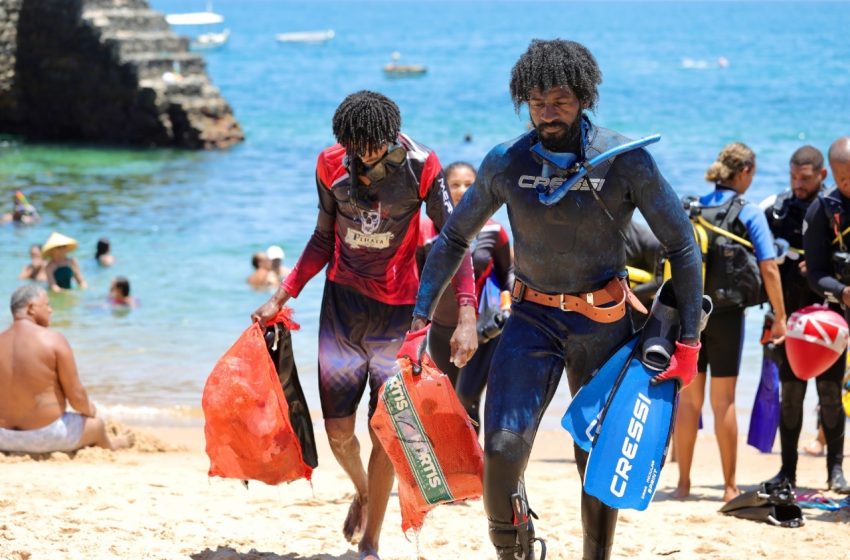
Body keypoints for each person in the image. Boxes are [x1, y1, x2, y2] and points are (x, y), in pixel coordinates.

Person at [412, 39, 703, 560]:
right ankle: (515, 549)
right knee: (501, 451)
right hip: (532, 318)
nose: (548, 113)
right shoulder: (506, 162)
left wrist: (689, 344)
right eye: (537, 102)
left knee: (594, 456)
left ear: (585, 97)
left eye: (561, 101)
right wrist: (419, 319)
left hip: (605, 322)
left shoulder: (626, 162)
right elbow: (455, 238)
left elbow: (682, 245)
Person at [250, 91, 477, 560]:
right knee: (337, 432)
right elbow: (320, 238)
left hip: (398, 314)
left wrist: (467, 312)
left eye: (371, 148)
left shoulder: (422, 166)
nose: (363, 157)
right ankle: (364, 491)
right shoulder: (331, 164)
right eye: (356, 149)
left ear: (390, 137)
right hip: (342, 309)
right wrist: (280, 296)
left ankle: (371, 543)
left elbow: (454, 242)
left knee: (383, 429)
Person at [674, 143, 786, 502]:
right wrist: (780, 316)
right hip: (727, 317)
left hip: (691, 314)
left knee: (690, 402)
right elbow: (768, 265)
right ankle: (729, 487)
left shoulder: (694, 207)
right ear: (745, 172)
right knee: (724, 402)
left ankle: (683, 484)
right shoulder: (747, 211)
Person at [761, 146, 848, 493]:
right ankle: (788, 471)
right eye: (793, 176)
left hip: (829, 317)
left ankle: (835, 472)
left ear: (822, 175)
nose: (798, 183)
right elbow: (758, 263)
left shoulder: (833, 210)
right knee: (791, 396)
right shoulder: (778, 212)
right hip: (790, 319)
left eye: (805, 178)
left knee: (830, 394)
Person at [417, 161, 513, 428]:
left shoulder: (494, 231)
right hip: (441, 330)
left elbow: (509, 277)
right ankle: (460, 464)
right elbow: (416, 281)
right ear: (443, 190)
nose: (461, 190)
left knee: (467, 398)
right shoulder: (425, 232)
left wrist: (507, 310)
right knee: (448, 401)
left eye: (469, 184)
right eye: (455, 184)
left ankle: (474, 468)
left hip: (484, 330)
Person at [0, 285, 134, 454]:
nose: (51, 310)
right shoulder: (53, 340)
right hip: (46, 436)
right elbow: (76, 397)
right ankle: (112, 445)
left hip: (3, 437)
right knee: (97, 425)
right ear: (31, 308)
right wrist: (90, 410)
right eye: (47, 305)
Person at [800, 136, 850, 493]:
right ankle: (835, 470)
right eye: (845, 179)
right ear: (832, 173)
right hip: (838, 315)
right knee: (832, 394)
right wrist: (843, 291)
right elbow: (815, 272)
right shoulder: (823, 208)